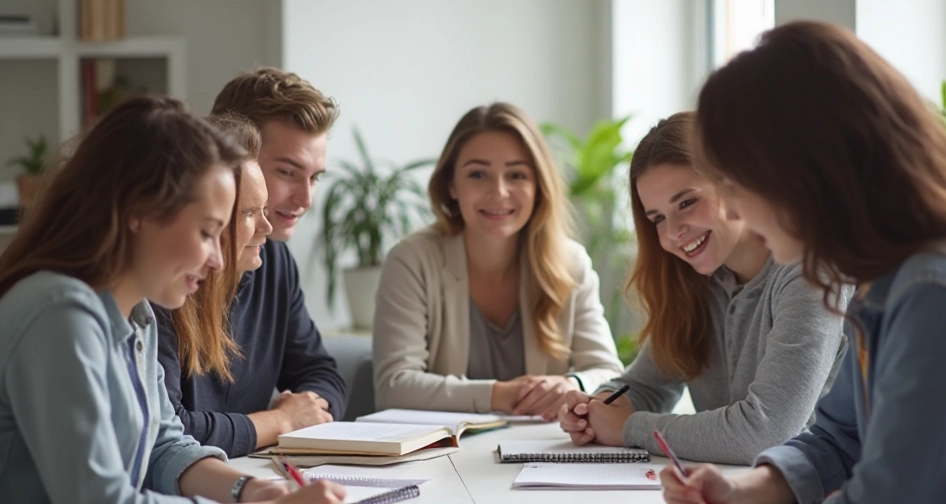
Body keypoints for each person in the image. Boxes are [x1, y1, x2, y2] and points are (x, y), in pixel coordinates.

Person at [659, 22, 946, 504]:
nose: (733, 209)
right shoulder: (884, 281)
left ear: (802, 173)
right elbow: (837, 436)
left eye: (734, 183)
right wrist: (744, 491)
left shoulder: (940, 294)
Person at [0, 96, 346, 504]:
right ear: (139, 212)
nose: (219, 259)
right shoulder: (58, 314)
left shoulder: (135, 313)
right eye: (208, 232)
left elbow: (165, 443)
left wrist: (247, 490)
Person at [557, 112, 851, 465]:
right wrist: (595, 407)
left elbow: (767, 433)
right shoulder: (695, 279)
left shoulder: (809, 269)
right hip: (728, 494)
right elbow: (647, 385)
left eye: (686, 203)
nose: (672, 233)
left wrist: (630, 428)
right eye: (657, 219)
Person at [373, 103, 623, 419]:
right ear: (451, 185)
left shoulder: (571, 263)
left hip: (543, 455)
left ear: (538, 187)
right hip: (442, 457)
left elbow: (610, 374)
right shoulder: (411, 260)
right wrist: (499, 395)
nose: (499, 192)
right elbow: (393, 387)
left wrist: (570, 383)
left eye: (517, 174)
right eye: (478, 174)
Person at [157, 68, 348, 458]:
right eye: (287, 172)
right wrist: (278, 423)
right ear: (225, 156)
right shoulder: (162, 276)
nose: (306, 199)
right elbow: (164, 435)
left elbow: (323, 376)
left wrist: (303, 413)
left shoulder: (273, 257)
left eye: (315, 178)